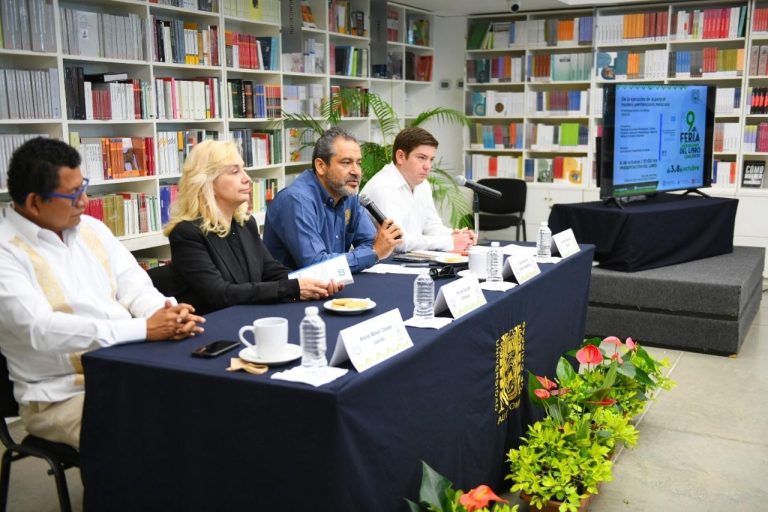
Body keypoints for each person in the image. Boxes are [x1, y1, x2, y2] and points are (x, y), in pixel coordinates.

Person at [0, 137, 205, 450]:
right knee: (156, 432)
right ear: (34, 202)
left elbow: (134, 284)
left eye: (83, 187)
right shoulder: (6, 252)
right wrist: (144, 329)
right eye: (73, 194)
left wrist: (164, 313)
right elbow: (41, 329)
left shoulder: (91, 228)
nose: (84, 201)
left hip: (129, 366)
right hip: (62, 396)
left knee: (206, 401)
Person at [164, 140, 342, 315]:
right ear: (207, 182)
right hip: (213, 327)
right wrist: (293, 288)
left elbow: (272, 272)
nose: (247, 179)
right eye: (235, 172)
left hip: (249, 317)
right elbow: (220, 294)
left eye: (244, 169)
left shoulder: (245, 224)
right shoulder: (186, 233)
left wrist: (315, 283)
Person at [263, 127, 402, 273]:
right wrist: (372, 254)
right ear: (321, 166)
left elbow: (371, 242)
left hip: (334, 282)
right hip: (295, 286)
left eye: (358, 163)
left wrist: (371, 252)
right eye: (346, 162)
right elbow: (316, 265)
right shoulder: (297, 200)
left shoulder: (349, 195)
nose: (356, 171)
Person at [360, 127, 477, 253]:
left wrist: (456, 236)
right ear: (400, 156)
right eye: (421, 157)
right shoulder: (382, 186)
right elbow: (398, 241)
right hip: (384, 261)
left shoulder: (422, 184)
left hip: (409, 259)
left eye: (431, 159)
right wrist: (449, 242)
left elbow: (431, 227)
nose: (428, 166)